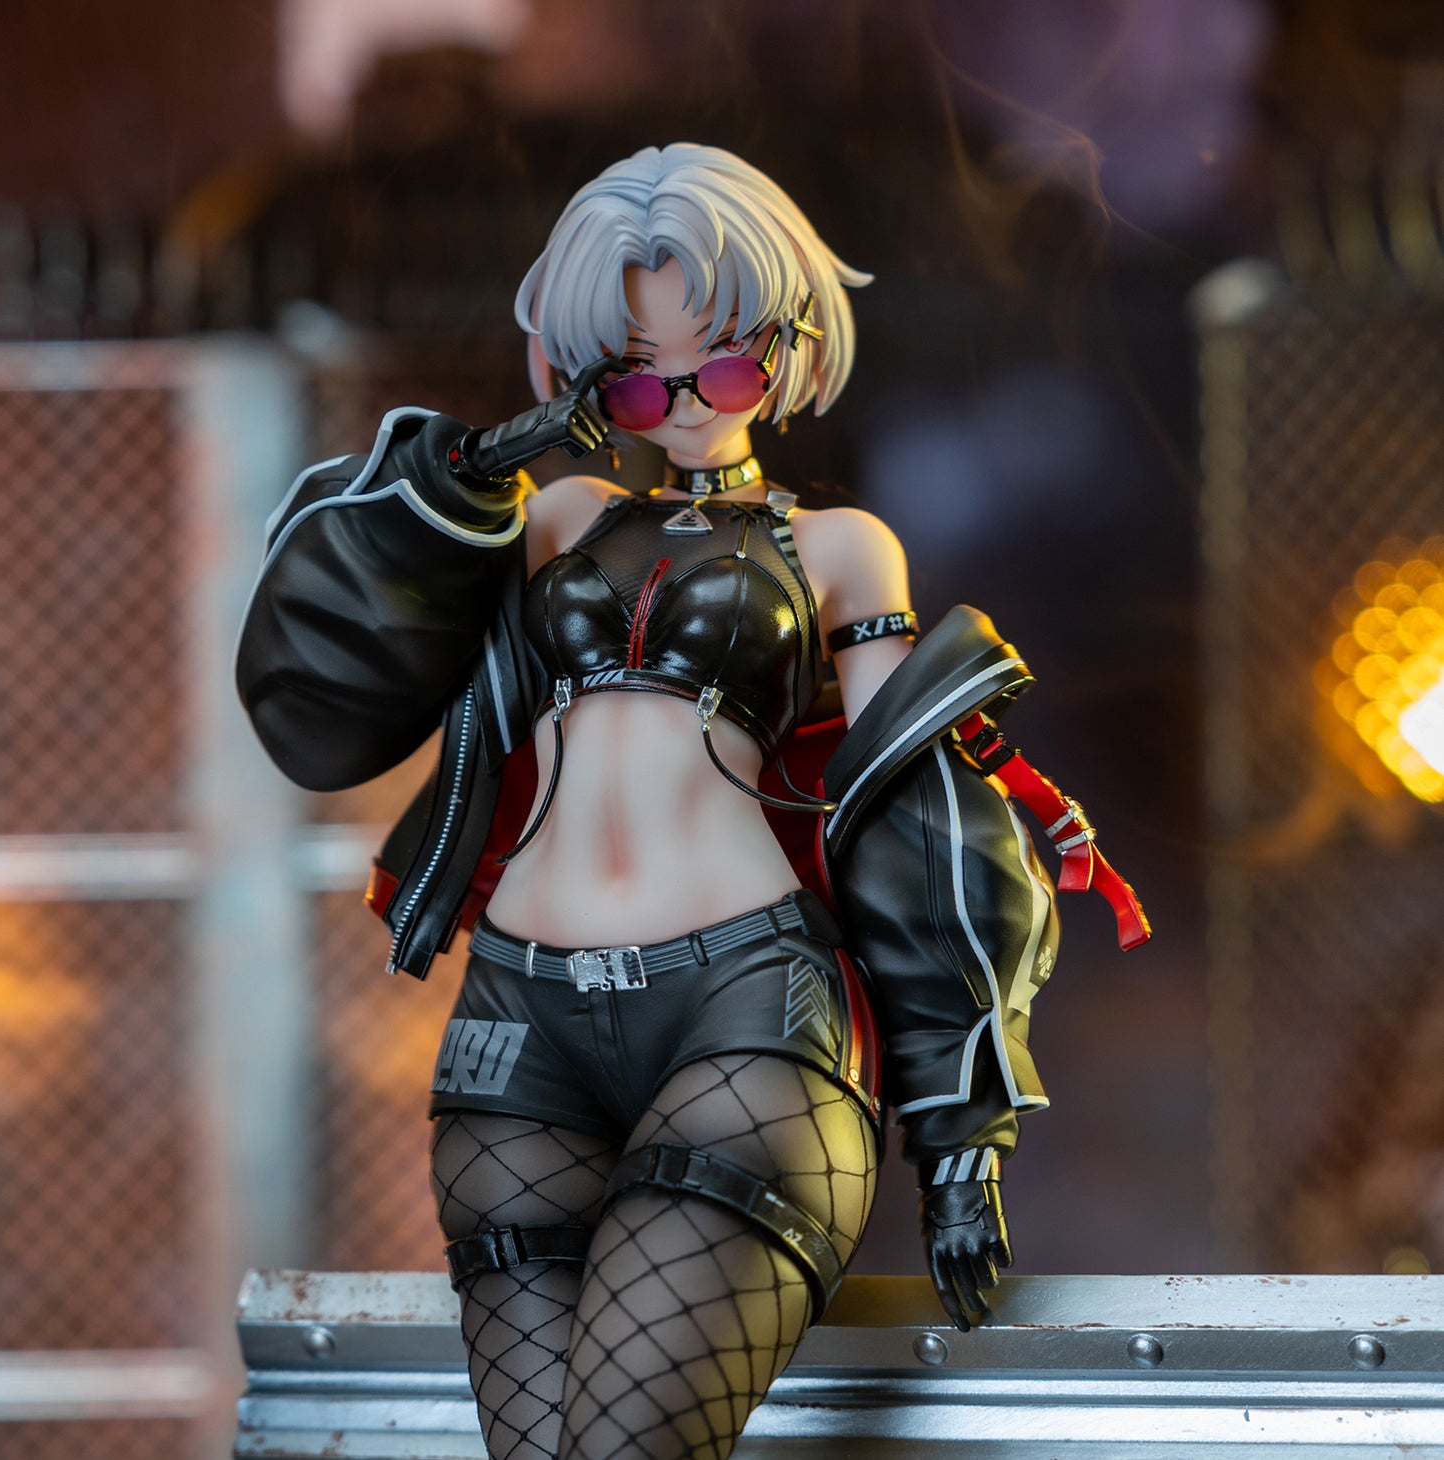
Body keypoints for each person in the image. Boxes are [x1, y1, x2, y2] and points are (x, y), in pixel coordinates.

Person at [237, 142, 1147, 1460]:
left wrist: (963, 1132)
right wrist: (480, 460)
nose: (681, 402)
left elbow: (917, 823)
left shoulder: (838, 549)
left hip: (742, 1008)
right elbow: (333, 653)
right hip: (518, 1024)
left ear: (788, 347)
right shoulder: (553, 518)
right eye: (633, 377)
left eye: (722, 367)